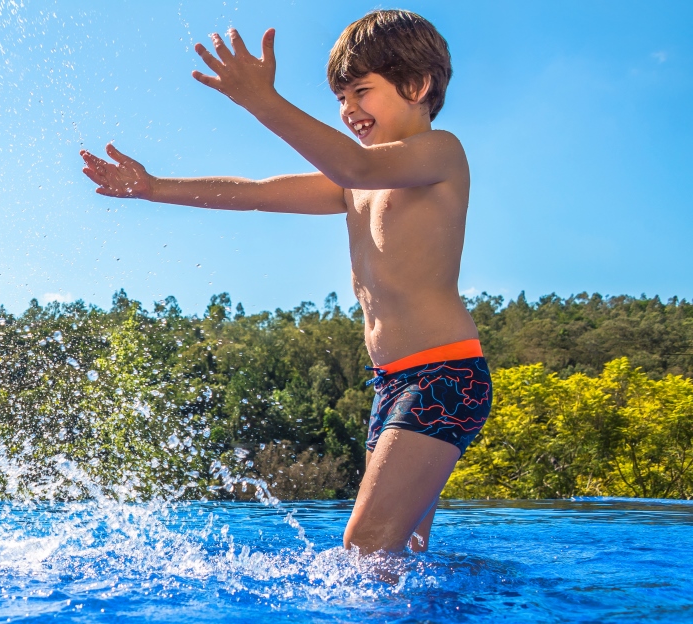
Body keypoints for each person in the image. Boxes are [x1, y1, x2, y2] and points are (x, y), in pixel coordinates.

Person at [80, 10, 489, 555]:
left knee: (365, 546)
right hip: (392, 382)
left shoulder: (440, 154)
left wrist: (260, 100)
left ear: (416, 86)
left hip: (443, 374)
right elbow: (256, 191)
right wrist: (154, 187)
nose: (348, 111)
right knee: (403, 553)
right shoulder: (353, 183)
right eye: (341, 98)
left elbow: (355, 168)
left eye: (361, 92)